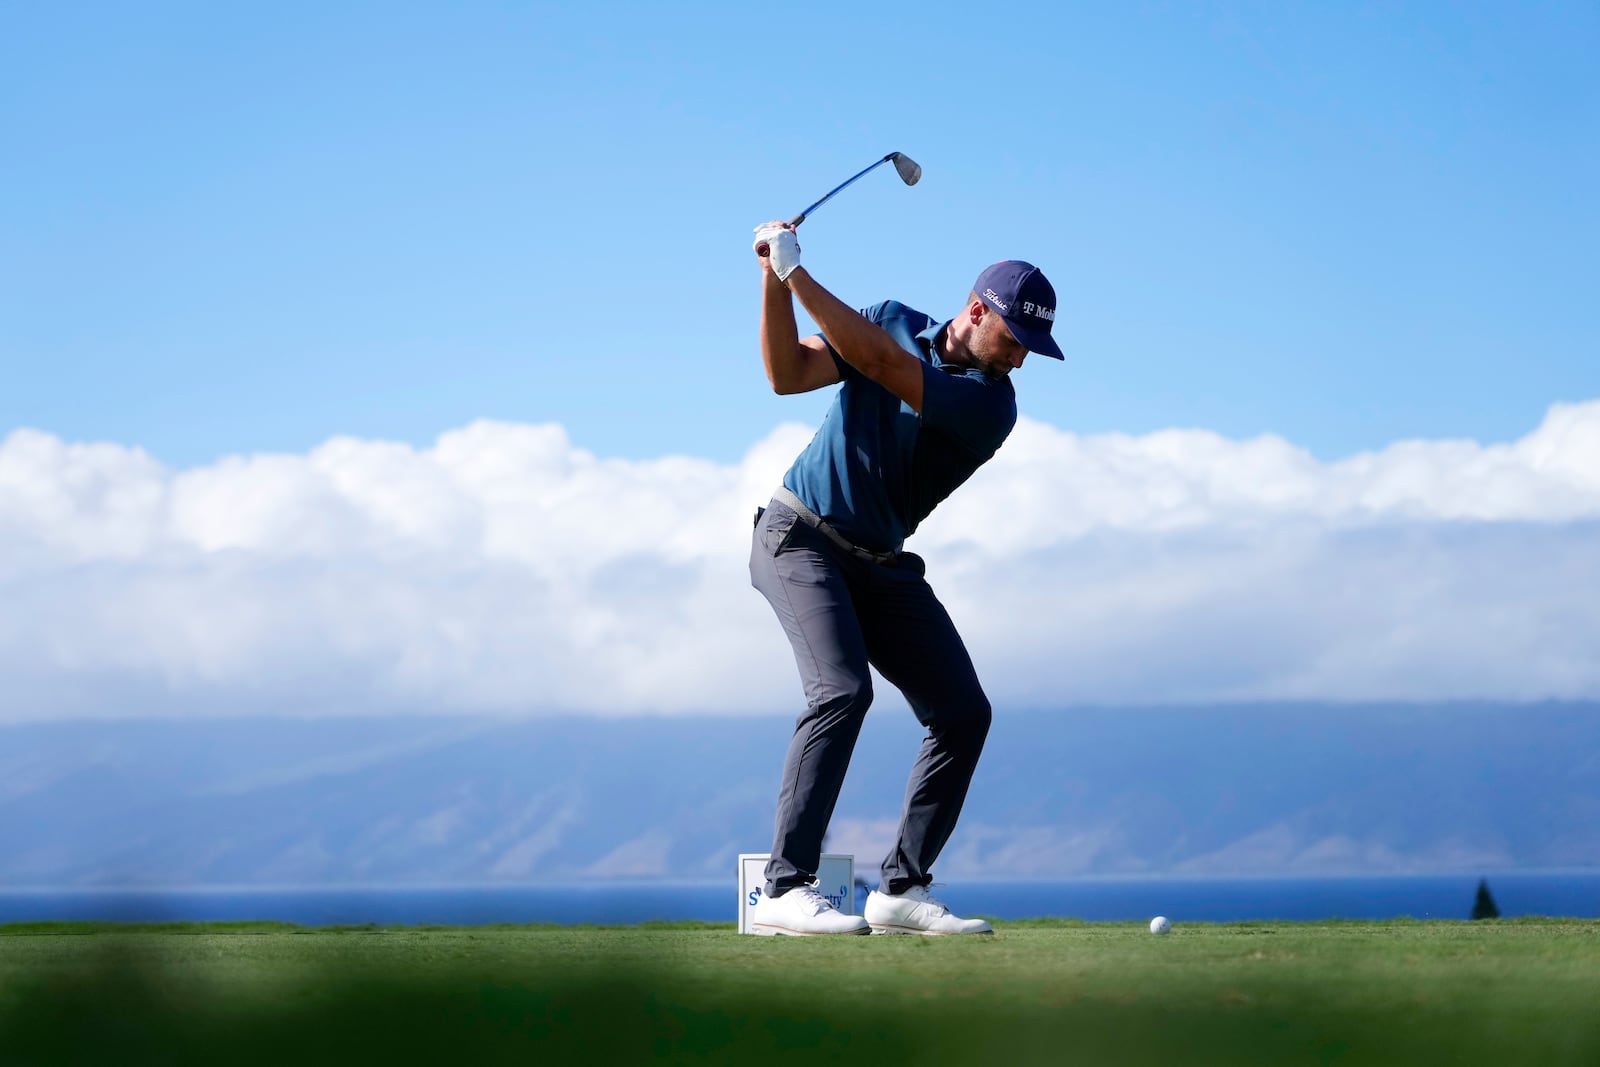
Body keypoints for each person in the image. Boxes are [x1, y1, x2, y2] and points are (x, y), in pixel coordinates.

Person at [745, 220, 1064, 936]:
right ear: (976, 311)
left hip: (880, 564)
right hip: (799, 537)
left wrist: (799, 275)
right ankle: (784, 889)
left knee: (962, 711)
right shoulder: (888, 320)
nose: (1018, 359)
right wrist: (774, 278)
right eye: (1013, 340)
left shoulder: (991, 406)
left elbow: (888, 369)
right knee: (843, 690)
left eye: (1029, 350)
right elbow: (786, 375)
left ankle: (900, 889)